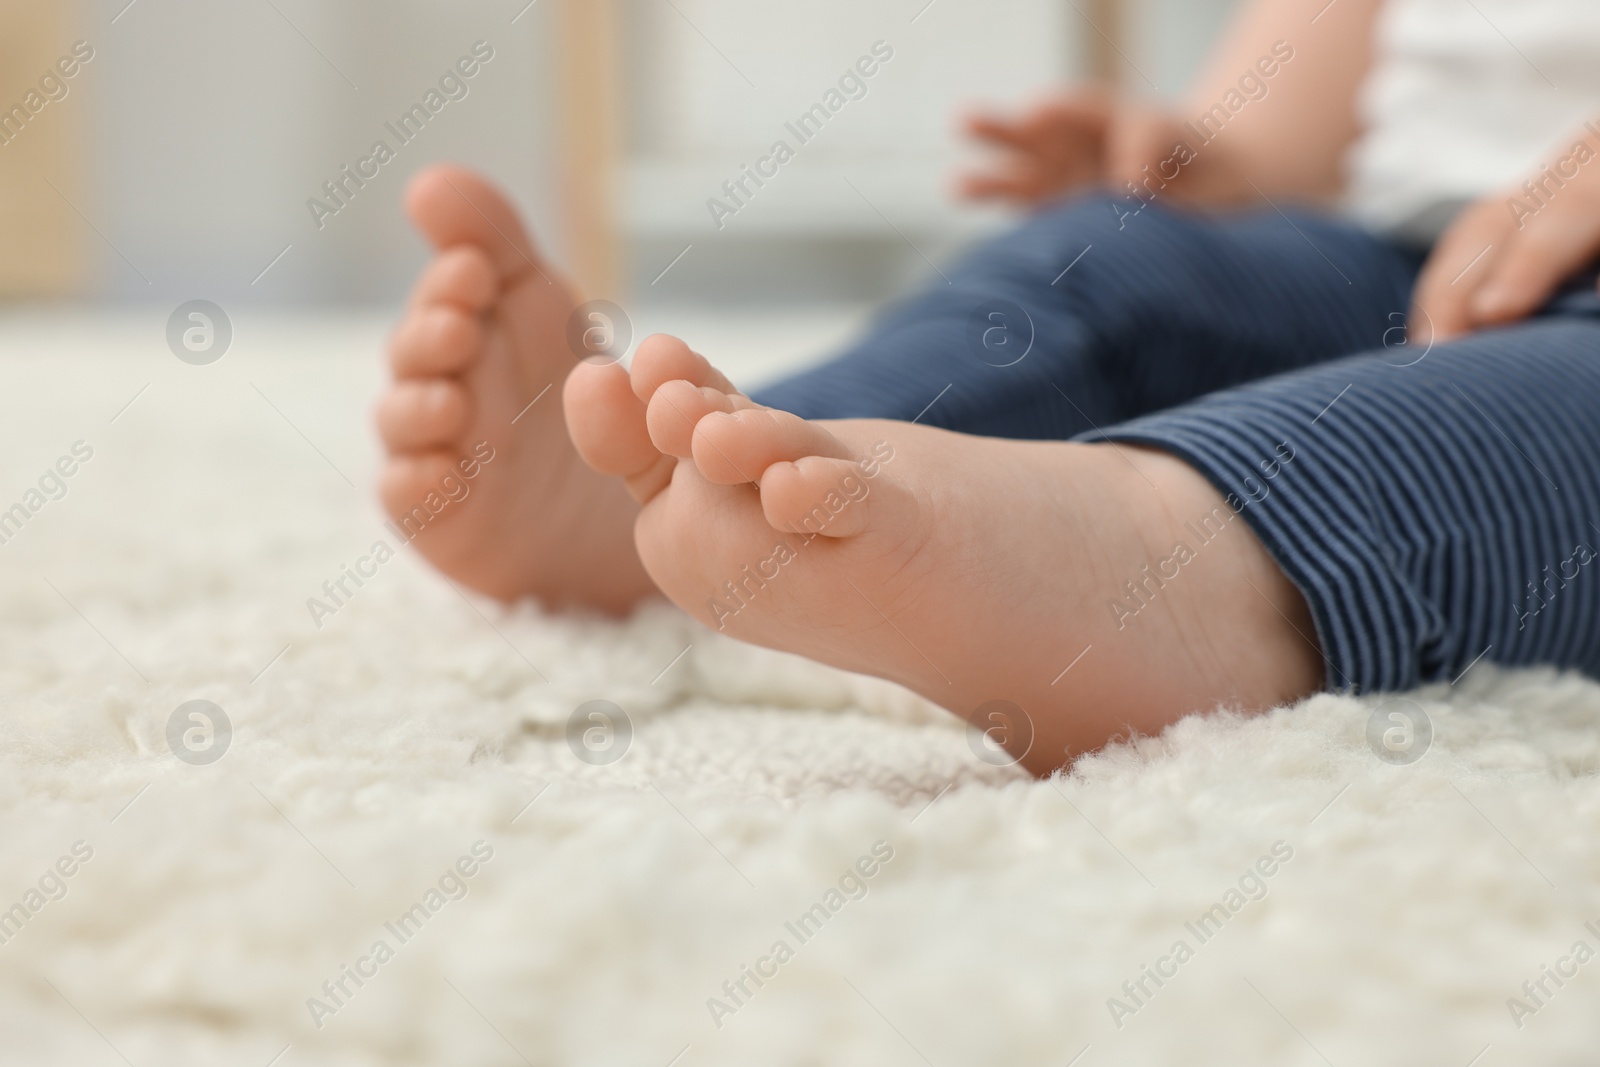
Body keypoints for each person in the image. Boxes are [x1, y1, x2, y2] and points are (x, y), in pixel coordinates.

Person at [375, 0, 1600, 773]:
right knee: (1108, 260)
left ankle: (1166, 555)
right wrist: (1231, 152)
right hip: (1402, 240)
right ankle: (640, 496)